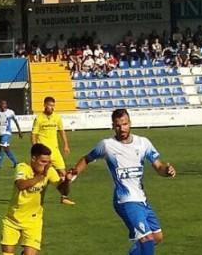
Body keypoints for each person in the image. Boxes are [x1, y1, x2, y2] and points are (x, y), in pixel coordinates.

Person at [67, 109, 176, 255]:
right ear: (113, 126)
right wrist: (74, 173)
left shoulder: (143, 143)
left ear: (130, 123)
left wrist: (167, 170)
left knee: (157, 237)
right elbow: (87, 159)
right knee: (147, 239)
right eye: (118, 125)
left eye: (125, 124)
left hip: (142, 200)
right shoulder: (107, 145)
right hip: (125, 200)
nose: (122, 128)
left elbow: (158, 166)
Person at [0, 143, 70, 255]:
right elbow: (21, 185)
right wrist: (41, 176)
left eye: (48, 162)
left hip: (33, 221)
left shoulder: (49, 170)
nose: (46, 165)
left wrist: (67, 181)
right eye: (43, 161)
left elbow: (63, 191)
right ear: (33, 158)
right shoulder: (22, 167)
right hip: (13, 219)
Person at [31, 96, 74, 205]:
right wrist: (35, 149)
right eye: (50, 105)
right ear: (45, 105)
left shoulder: (57, 117)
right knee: (43, 176)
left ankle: (64, 197)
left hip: (55, 151)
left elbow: (61, 131)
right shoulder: (39, 118)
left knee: (64, 174)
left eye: (53, 106)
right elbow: (34, 134)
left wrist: (66, 145)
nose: (52, 108)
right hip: (43, 153)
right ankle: (39, 198)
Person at [0, 100, 22, 170]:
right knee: (6, 149)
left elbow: (15, 121)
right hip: (1, 133)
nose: (3, 106)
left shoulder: (10, 112)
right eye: (1, 104)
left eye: (4, 104)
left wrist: (19, 131)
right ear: (0, 105)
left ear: (6, 105)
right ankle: (16, 163)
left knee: (2, 148)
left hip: (7, 133)